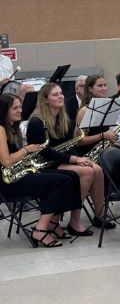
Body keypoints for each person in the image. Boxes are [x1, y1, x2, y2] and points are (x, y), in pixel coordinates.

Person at [26, 81, 109, 235]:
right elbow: (45, 152)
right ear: (45, 99)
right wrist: (76, 160)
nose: (61, 97)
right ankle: (74, 221)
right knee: (87, 172)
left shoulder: (64, 119)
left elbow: (70, 145)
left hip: (61, 161)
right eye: (55, 94)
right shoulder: (36, 122)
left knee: (96, 169)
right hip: (43, 165)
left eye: (61, 93)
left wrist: (79, 158)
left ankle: (100, 215)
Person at [1, 91, 81, 248]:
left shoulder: (12, 128)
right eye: (15, 108)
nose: (20, 111)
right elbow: (6, 161)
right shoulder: (0, 130)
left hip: (19, 174)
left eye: (20, 107)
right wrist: (27, 150)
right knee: (62, 181)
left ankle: (52, 223)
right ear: (4, 111)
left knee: (72, 176)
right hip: (7, 182)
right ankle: (41, 229)